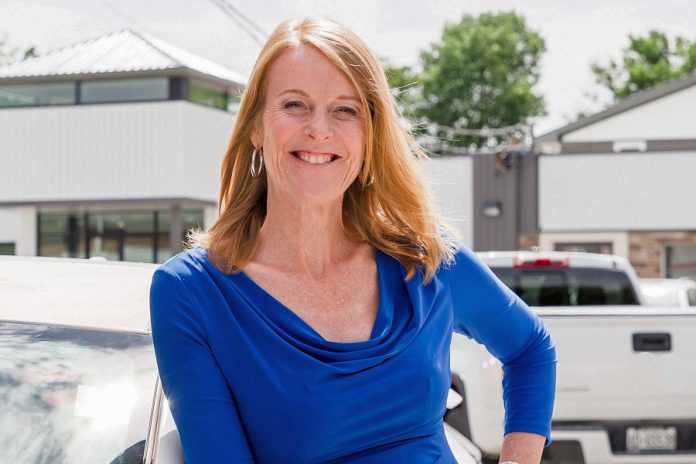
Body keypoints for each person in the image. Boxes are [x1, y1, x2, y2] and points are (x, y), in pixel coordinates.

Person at [149, 16, 556, 464]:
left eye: (345, 110)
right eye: (294, 105)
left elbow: (530, 348)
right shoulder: (191, 293)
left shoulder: (426, 259)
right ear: (256, 127)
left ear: (369, 136)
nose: (319, 129)